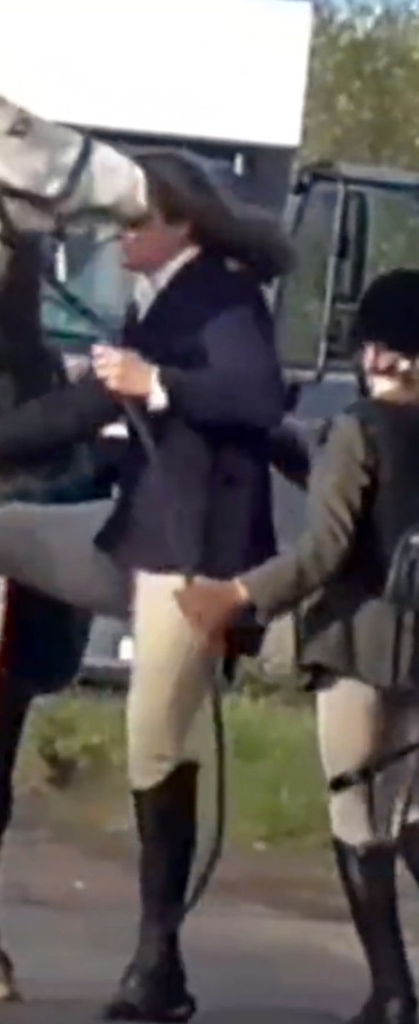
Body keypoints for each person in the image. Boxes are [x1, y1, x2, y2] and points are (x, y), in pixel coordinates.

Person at [0, 148, 295, 1023]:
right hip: (130, 536)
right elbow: (84, 409)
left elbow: (258, 399)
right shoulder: (160, 299)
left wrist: (160, 383)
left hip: (189, 560)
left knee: (154, 742)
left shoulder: (222, 296)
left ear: (180, 225)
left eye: (134, 221)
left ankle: (159, 967)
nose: (119, 233)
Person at [174, 269, 419, 1024]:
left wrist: (238, 596)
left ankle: (391, 993)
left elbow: (324, 550)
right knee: (413, 820)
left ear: (379, 351)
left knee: (358, 820)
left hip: (357, 644)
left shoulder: (358, 428)